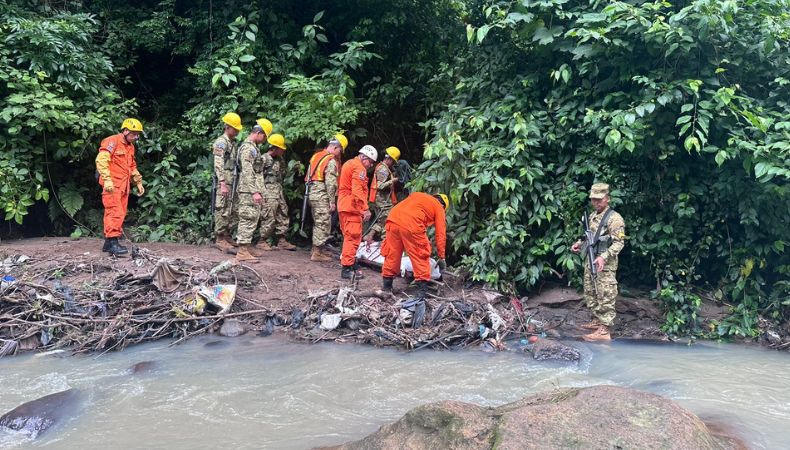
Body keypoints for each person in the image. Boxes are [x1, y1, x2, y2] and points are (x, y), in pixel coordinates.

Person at [571, 183, 626, 342]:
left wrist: (604, 256)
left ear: (607, 199)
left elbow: (619, 243)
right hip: (591, 259)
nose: (596, 203)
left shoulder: (615, 219)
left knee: (605, 294)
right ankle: (597, 321)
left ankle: (605, 331)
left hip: (605, 264)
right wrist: (579, 244)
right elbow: (589, 237)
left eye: (599, 200)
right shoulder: (593, 216)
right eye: (593, 199)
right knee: (591, 291)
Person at [380, 192, 448, 299]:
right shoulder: (439, 207)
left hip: (392, 219)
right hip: (411, 223)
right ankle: (421, 293)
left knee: (392, 253)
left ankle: (387, 287)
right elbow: (441, 234)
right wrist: (441, 256)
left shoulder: (418, 196)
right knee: (420, 254)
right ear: (443, 206)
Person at [95, 118, 145, 256]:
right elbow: (101, 160)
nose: (136, 137)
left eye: (137, 134)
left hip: (123, 186)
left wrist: (138, 182)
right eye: (134, 133)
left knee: (120, 213)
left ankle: (108, 243)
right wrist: (107, 180)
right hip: (112, 185)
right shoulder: (112, 141)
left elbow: (132, 166)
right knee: (114, 212)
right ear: (126, 130)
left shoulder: (130, 147)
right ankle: (112, 243)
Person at [337, 145, 378, 279]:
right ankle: (347, 268)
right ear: (364, 157)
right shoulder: (359, 168)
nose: (370, 166)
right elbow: (357, 191)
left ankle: (349, 262)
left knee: (349, 236)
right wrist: (365, 209)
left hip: (344, 205)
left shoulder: (349, 163)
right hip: (351, 207)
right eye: (370, 162)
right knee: (353, 237)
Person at [305, 134, 347, 261]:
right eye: (340, 150)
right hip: (322, 193)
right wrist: (332, 201)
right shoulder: (331, 160)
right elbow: (330, 183)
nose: (340, 154)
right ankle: (317, 253)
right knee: (323, 223)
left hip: (312, 192)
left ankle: (317, 250)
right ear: (336, 147)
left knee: (318, 222)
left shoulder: (316, 156)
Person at [212, 113, 249, 252]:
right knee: (222, 208)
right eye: (235, 128)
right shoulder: (221, 142)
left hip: (231, 180)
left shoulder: (231, 143)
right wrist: (222, 182)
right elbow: (218, 163)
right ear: (227, 127)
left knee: (230, 208)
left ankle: (226, 235)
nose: (237, 131)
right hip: (224, 179)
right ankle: (219, 238)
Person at [233, 120, 270, 261]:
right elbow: (247, 171)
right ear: (258, 133)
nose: (265, 140)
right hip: (248, 190)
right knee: (247, 218)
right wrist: (254, 191)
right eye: (264, 136)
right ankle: (242, 252)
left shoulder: (253, 147)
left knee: (253, 217)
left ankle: (246, 247)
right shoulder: (248, 148)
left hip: (251, 188)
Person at [257, 133, 296, 251]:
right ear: (275, 148)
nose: (283, 151)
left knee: (283, 212)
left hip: (278, 190)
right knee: (269, 214)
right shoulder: (264, 159)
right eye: (281, 149)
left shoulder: (279, 160)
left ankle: (282, 240)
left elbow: (283, 175)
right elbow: (257, 176)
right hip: (268, 191)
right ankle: (262, 240)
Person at [364, 146, 401, 243]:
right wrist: (393, 181)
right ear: (389, 159)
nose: (393, 163)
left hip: (383, 200)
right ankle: (386, 241)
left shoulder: (384, 168)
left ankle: (369, 236)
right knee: (389, 219)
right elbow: (379, 186)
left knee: (382, 220)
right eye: (393, 161)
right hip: (382, 200)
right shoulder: (383, 169)